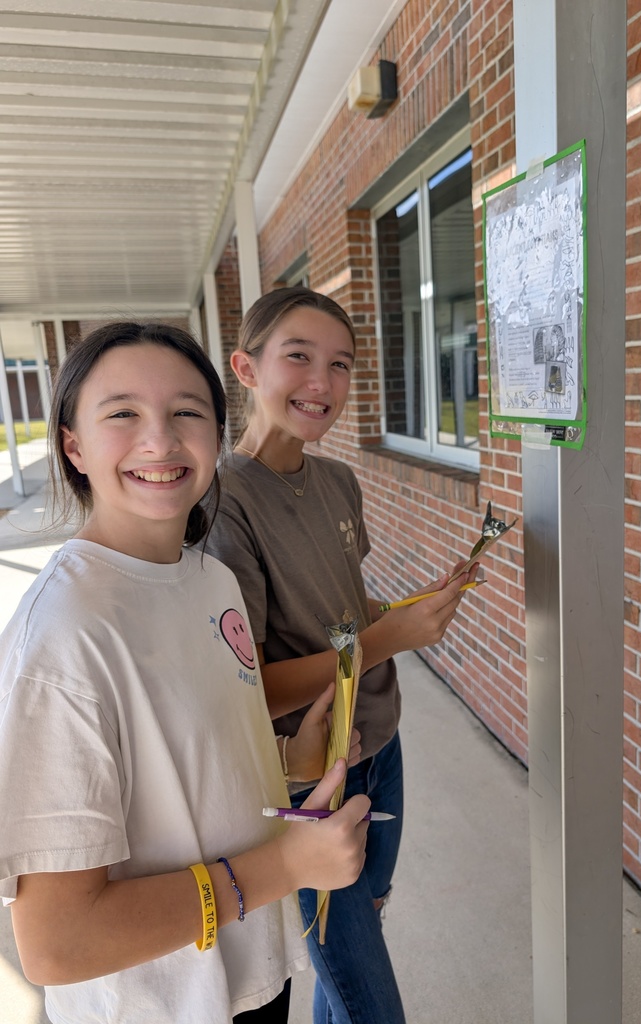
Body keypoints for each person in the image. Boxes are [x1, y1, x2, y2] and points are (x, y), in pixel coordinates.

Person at [0, 321, 371, 1024]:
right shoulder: (61, 635)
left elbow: (179, 767)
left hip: (248, 973)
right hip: (157, 1004)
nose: (160, 441)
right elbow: (58, 942)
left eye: (186, 413)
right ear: (73, 445)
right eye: (123, 415)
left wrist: (292, 759)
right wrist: (287, 867)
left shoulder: (210, 581)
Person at [205, 286, 476, 1024]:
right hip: (307, 778)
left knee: (354, 952)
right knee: (369, 999)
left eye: (341, 365)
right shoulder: (224, 503)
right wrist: (388, 639)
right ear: (246, 367)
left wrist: (406, 608)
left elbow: (341, 618)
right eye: (298, 357)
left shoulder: (339, 480)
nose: (322, 384)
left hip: (380, 745)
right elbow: (251, 688)